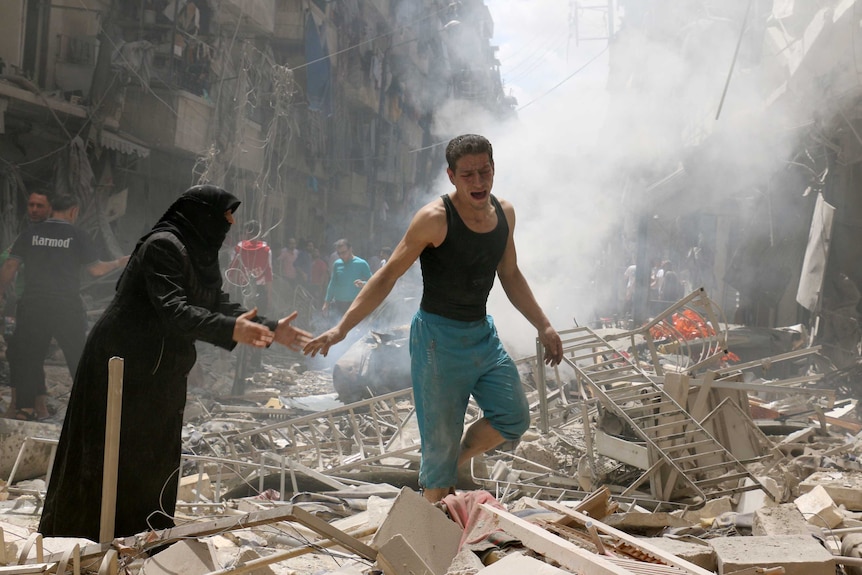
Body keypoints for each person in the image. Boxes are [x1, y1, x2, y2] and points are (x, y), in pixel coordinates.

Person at [38, 185, 312, 541]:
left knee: (154, 450)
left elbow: (215, 303)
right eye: (223, 215)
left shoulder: (198, 252)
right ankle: (88, 537)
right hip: (124, 359)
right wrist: (232, 330)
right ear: (199, 215)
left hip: (159, 364)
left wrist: (270, 328)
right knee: (110, 449)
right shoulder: (163, 246)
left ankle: (143, 535)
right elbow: (174, 309)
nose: (229, 223)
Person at [303, 134, 563, 503]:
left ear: (493, 170)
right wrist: (342, 328)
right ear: (451, 176)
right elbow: (387, 276)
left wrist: (544, 324)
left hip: (482, 337)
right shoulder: (434, 219)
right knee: (437, 461)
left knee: (514, 417)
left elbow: (510, 274)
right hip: (436, 342)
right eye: (468, 174)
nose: (478, 182)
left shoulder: (505, 214)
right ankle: (429, 531)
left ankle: (449, 463)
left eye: (484, 172)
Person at [0, 194, 128, 421]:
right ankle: (90, 411)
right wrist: (119, 262)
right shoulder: (78, 235)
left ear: (51, 210)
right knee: (78, 356)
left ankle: (25, 410)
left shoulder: (29, 234)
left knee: (30, 357)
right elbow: (96, 270)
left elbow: (10, 266)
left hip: (33, 305)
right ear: (74, 211)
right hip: (66, 306)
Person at [322, 239, 372, 320]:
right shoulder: (337, 264)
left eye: (344, 252)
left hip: (355, 304)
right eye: (339, 253)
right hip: (338, 304)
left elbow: (373, 282)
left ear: (350, 249)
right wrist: (326, 303)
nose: (341, 256)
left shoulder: (362, 263)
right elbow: (332, 283)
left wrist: (363, 284)